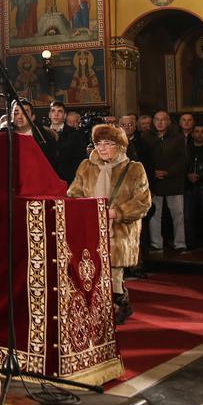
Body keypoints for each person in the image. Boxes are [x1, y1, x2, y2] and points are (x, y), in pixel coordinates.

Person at [67, 124, 151, 323]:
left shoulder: (134, 169)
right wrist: (84, 210)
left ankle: (116, 306)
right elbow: (73, 194)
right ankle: (106, 306)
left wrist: (117, 212)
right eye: (98, 143)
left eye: (108, 143)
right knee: (93, 271)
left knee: (113, 271)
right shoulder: (86, 167)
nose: (102, 148)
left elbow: (143, 202)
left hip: (120, 230)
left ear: (120, 146)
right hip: (90, 228)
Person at [145, 112, 187, 252]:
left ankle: (180, 243)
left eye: (163, 120)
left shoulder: (178, 138)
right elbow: (144, 159)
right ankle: (156, 244)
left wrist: (168, 172)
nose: (160, 123)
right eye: (157, 119)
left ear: (169, 122)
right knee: (154, 215)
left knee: (178, 215)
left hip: (174, 181)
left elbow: (182, 160)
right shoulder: (147, 137)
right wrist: (153, 172)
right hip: (154, 182)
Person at [48, 100, 86, 183]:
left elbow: (79, 161)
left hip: (68, 181)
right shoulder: (42, 133)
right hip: (47, 180)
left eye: (60, 111)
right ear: (49, 115)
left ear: (65, 116)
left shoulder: (76, 135)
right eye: (53, 111)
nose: (56, 114)